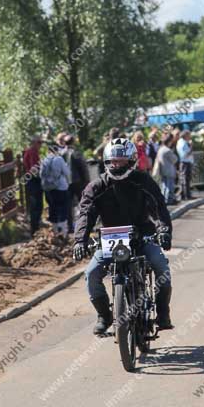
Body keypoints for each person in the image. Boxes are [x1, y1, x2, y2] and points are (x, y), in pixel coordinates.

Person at [73, 137, 173, 335]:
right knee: (92, 274)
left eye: (120, 160)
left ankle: (163, 312)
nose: (116, 164)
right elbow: (85, 214)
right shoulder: (96, 187)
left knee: (161, 266)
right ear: (106, 162)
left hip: (142, 237)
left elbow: (158, 207)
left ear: (131, 160)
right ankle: (104, 315)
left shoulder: (143, 181)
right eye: (112, 161)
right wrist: (80, 240)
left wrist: (163, 231)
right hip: (110, 241)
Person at [40, 143, 71, 235]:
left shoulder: (44, 160)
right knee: (63, 208)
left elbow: (41, 174)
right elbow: (67, 173)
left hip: (48, 189)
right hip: (61, 188)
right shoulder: (59, 159)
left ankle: (55, 231)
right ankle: (63, 232)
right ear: (56, 150)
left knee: (52, 208)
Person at [61, 134, 90, 233]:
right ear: (73, 142)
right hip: (78, 182)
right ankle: (85, 224)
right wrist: (87, 181)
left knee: (68, 205)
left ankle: (70, 226)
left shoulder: (61, 153)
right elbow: (83, 167)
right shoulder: (76, 153)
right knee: (83, 203)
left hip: (65, 183)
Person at [23, 136, 43, 235]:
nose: (41, 145)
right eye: (39, 142)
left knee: (37, 205)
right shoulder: (32, 152)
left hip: (32, 180)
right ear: (34, 143)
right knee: (36, 206)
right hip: (33, 181)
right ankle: (35, 230)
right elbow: (33, 169)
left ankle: (35, 228)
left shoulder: (32, 151)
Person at [154, 132, 178, 204]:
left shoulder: (160, 149)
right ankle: (169, 200)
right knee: (169, 186)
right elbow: (175, 159)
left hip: (162, 170)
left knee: (164, 186)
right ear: (169, 142)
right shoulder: (167, 150)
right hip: (169, 171)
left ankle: (163, 200)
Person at [176, 130, 194, 200]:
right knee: (185, 179)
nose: (190, 136)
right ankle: (186, 196)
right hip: (185, 163)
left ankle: (186, 195)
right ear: (185, 135)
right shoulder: (182, 143)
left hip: (186, 162)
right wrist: (191, 147)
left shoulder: (183, 142)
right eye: (189, 135)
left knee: (186, 179)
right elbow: (184, 154)